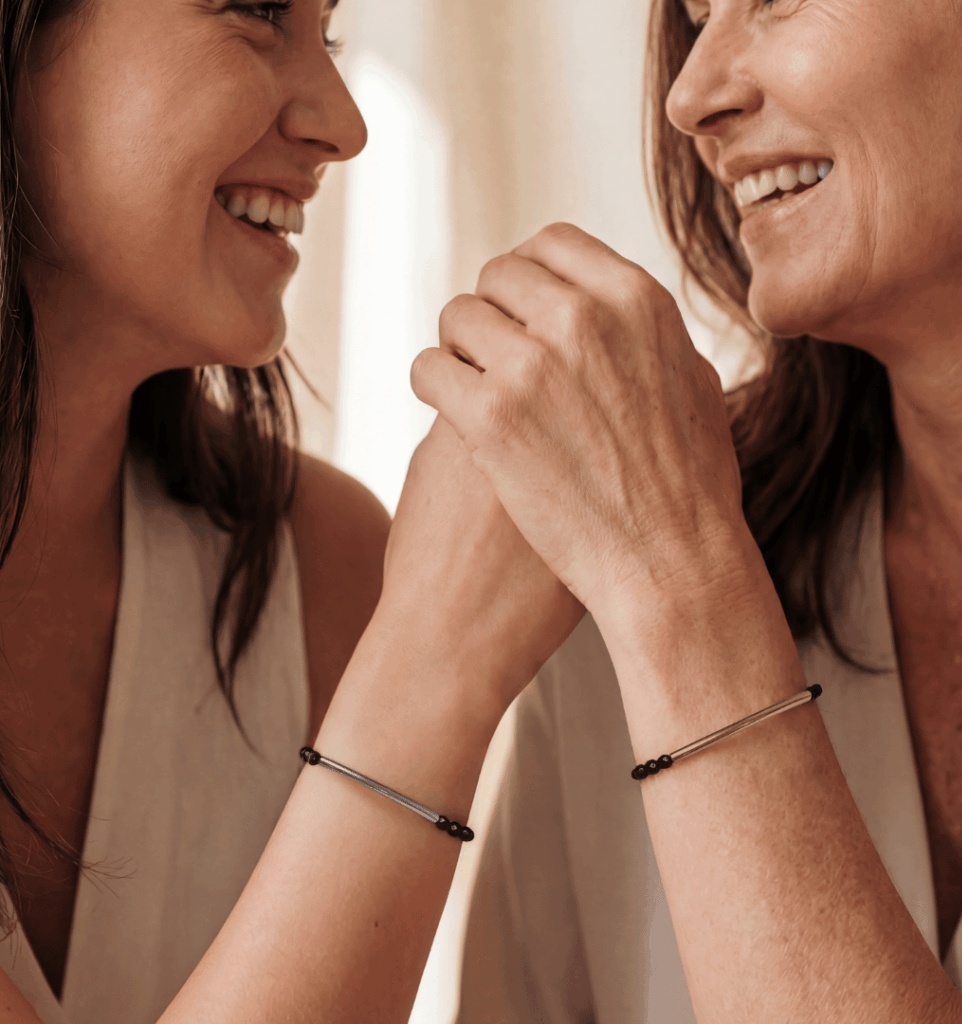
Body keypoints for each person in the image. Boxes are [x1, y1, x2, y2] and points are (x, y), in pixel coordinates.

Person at [0, 0, 582, 1020]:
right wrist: (433, 665)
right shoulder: (390, 618)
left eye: (331, 32)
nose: (344, 127)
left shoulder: (323, 568)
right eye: (258, 11)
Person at [447, 0, 962, 1021]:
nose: (690, 96)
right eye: (693, 12)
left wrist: (675, 593)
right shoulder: (608, 586)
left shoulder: (648, 565)